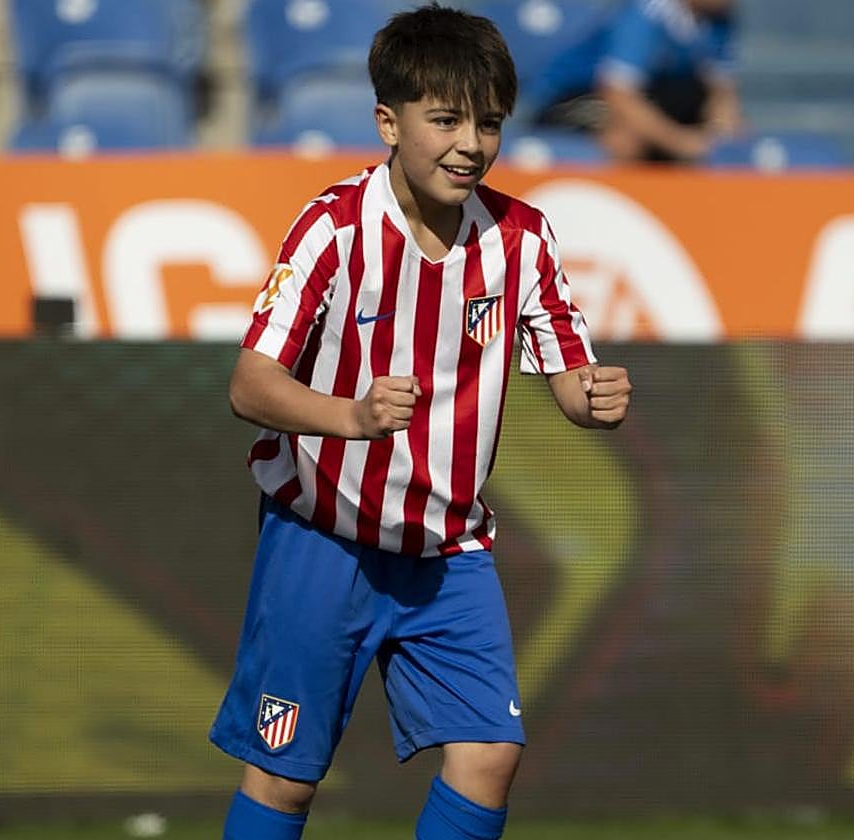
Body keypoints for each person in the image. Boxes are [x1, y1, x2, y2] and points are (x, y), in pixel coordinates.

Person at [209, 4, 632, 839]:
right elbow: (250, 386)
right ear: (388, 122)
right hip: (323, 539)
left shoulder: (522, 239)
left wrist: (595, 399)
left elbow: (570, 379)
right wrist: (351, 416)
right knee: (285, 779)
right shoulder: (332, 229)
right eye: (445, 120)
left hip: (448, 550)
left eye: (489, 123)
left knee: (489, 757)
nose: (470, 144)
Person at [529, 0, 743, 163]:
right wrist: (679, 141)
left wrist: (720, 134)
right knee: (626, 137)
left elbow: (721, 93)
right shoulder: (646, 12)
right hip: (573, 98)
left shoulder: (719, 22)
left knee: (735, 136)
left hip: (647, 95)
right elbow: (618, 94)